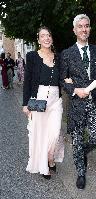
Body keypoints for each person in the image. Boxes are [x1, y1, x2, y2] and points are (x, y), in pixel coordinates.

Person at [60, 14, 96, 189]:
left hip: (95, 102)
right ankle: (81, 173)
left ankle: (82, 153)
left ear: (89, 28)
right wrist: (74, 90)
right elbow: (62, 80)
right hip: (77, 105)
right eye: (80, 26)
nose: (84, 29)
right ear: (74, 30)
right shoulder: (67, 54)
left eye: (86, 26)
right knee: (77, 138)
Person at [22, 26, 64, 179]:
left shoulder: (59, 57)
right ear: (38, 39)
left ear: (51, 38)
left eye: (49, 35)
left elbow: (63, 78)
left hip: (55, 100)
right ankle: (44, 164)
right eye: (43, 36)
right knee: (39, 134)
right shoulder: (32, 56)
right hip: (38, 99)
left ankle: (50, 157)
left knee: (54, 133)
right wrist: (25, 103)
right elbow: (27, 81)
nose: (46, 38)